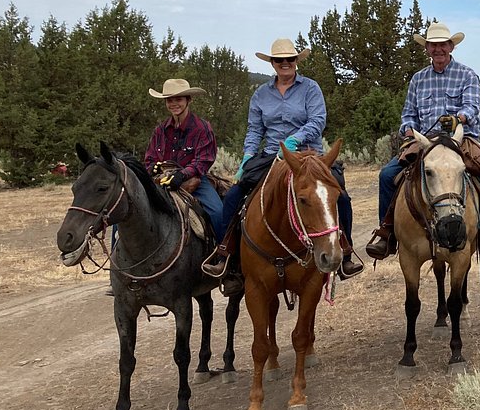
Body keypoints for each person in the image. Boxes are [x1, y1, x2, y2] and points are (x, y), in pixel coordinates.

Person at [205, 38, 360, 281]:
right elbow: (255, 129)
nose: (285, 63)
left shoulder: (311, 88)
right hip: (273, 157)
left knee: (340, 195)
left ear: (296, 61)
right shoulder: (260, 94)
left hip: (310, 155)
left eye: (290, 59)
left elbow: (317, 121)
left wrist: (294, 140)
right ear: (273, 63)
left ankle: (346, 253)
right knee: (236, 195)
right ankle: (227, 255)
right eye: (279, 60)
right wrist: (247, 157)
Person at [364, 21, 480, 266]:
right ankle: (387, 231)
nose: (438, 49)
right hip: (424, 141)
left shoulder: (467, 75)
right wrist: (408, 128)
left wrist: (457, 118)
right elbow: (408, 113)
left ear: (451, 46)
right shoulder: (418, 79)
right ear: (427, 48)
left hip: (462, 139)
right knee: (387, 175)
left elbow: (472, 108)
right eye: (433, 45)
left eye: (443, 44)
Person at [145, 78, 222, 232]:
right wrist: (152, 168)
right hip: (162, 180)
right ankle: (117, 253)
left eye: (178, 99)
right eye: (169, 100)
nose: (174, 104)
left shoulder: (202, 128)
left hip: (194, 179)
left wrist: (182, 175)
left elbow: (203, 160)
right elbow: (150, 158)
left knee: (218, 212)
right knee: (130, 205)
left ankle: (223, 253)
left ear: (188, 100)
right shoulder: (160, 130)